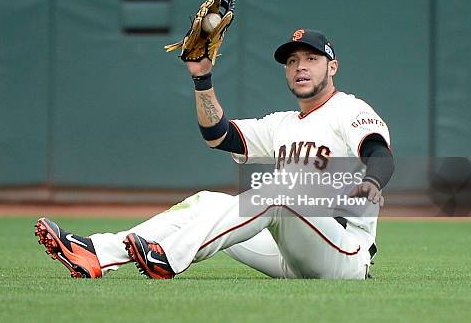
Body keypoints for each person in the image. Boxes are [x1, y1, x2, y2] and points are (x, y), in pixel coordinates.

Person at [35, 28, 394, 280]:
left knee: (281, 191)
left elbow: (379, 153)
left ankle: (170, 257)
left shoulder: (348, 110)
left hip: (344, 252)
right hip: (287, 253)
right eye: (292, 61)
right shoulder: (282, 123)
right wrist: (202, 78)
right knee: (206, 202)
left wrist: (372, 182)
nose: (300, 67)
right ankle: (97, 252)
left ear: (332, 67)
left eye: (312, 59)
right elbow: (219, 135)